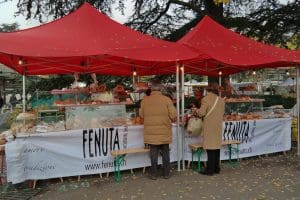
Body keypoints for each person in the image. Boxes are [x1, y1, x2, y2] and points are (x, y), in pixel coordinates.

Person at [139, 80, 176, 180]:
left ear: (151, 89)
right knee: (165, 151)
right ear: (161, 89)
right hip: (164, 129)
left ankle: (154, 174)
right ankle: (166, 173)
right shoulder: (167, 100)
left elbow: (141, 115)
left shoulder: (144, 100)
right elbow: (173, 116)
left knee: (153, 152)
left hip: (151, 131)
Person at [192, 82, 225, 176]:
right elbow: (222, 113)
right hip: (218, 125)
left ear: (207, 90)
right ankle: (216, 168)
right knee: (216, 147)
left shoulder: (205, 99)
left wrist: (195, 110)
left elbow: (201, 113)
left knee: (210, 147)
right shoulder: (221, 100)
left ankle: (210, 170)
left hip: (209, 126)